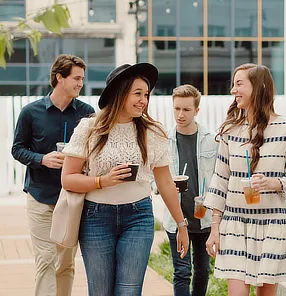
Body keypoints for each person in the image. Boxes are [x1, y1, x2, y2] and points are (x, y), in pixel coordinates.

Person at [60, 63, 189, 295]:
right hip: (96, 218)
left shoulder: (153, 132)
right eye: (137, 93)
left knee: (129, 291)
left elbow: (166, 183)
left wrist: (181, 224)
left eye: (146, 94)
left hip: (138, 217)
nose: (144, 100)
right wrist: (102, 181)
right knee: (100, 291)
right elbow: (68, 179)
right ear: (119, 93)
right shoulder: (89, 128)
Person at [204, 64, 286, 296]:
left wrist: (274, 183)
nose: (233, 90)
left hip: (273, 226)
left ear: (258, 87)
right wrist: (215, 228)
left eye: (239, 84)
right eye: (233, 84)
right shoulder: (230, 132)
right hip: (236, 225)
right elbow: (220, 182)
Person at [11, 54, 95, 296]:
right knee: (46, 259)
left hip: (71, 199)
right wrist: (42, 159)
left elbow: (94, 150)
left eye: (82, 78)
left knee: (65, 264)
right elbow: (17, 149)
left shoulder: (87, 113)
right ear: (59, 77)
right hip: (40, 197)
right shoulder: (30, 112)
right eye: (76, 78)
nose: (80, 83)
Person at [161, 84, 218, 296]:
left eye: (186, 109)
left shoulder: (211, 140)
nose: (180, 114)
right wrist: (163, 187)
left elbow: (219, 178)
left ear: (196, 110)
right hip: (176, 217)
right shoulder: (164, 140)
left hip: (203, 216)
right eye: (176, 109)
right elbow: (152, 178)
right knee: (182, 272)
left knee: (203, 271)